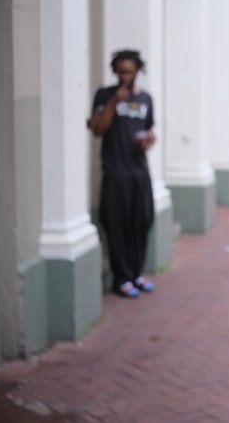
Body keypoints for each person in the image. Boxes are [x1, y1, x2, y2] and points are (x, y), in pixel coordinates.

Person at [89, 49, 157, 298]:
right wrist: (114, 103)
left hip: (139, 172)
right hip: (115, 172)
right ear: (115, 71)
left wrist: (148, 140)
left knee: (141, 222)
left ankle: (136, 273)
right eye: (120, 71)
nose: (125, 76)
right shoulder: (105, 95)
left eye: (129, 71)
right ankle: (122, 278)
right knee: (116, 225)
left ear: (137, 71)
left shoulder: (146, 98)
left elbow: (147, 129)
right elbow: (97, 129)